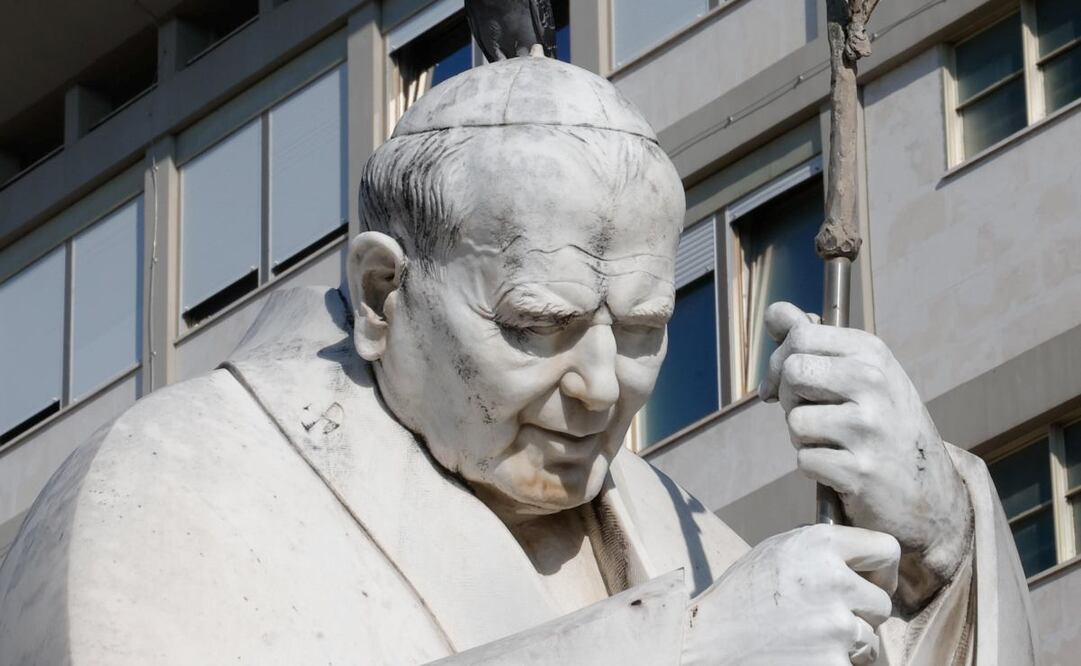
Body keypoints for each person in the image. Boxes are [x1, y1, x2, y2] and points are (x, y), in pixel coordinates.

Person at [0, 55, 1036, 665]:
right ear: (384, 293)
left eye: (643, 328)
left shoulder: (689, 544)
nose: (600, 387)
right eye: (538, 325)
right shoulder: (170, 486)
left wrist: (936, 548)